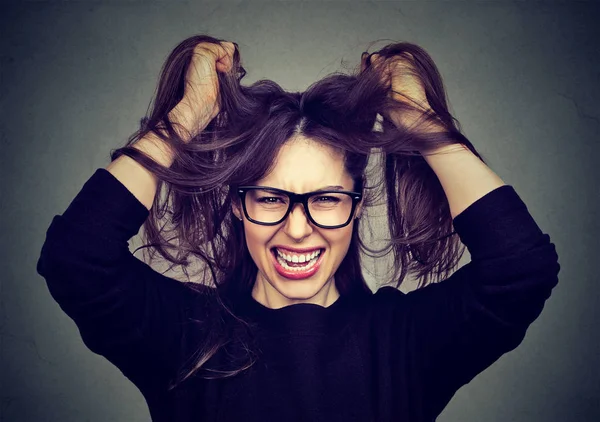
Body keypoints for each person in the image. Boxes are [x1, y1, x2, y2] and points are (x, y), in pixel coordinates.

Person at [36, 35, 561, 421]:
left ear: (355, 206)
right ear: (239, 204)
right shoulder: (185, 335)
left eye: (326, 199)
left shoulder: (406, 341)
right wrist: (189, 114)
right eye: (271, 197)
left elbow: (522, 268)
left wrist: (421, 123)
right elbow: (76, 259)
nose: (297, 229)